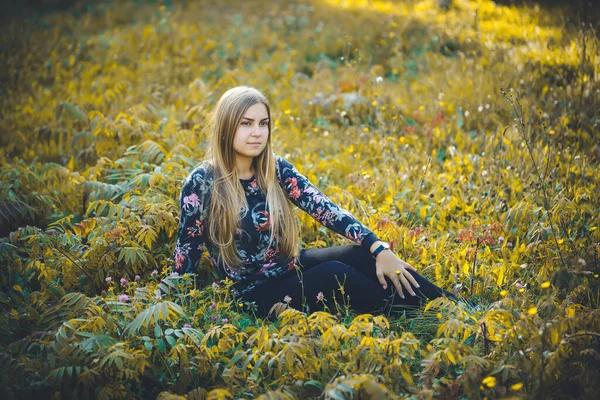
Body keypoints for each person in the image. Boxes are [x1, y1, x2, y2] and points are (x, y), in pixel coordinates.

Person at [173, 86, 457, 318]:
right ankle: (425, 314)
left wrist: (379, 248)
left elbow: (324, 209)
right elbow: (187, 253)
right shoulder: (203, 181)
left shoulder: (275, 168)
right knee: (335, 274)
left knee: (358, 254)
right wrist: (176, 304)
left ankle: (454, 305)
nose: (257, 132)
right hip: (253, 294)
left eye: (263, 123)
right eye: (246, 124)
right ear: (226, 128)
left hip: (288, 268)